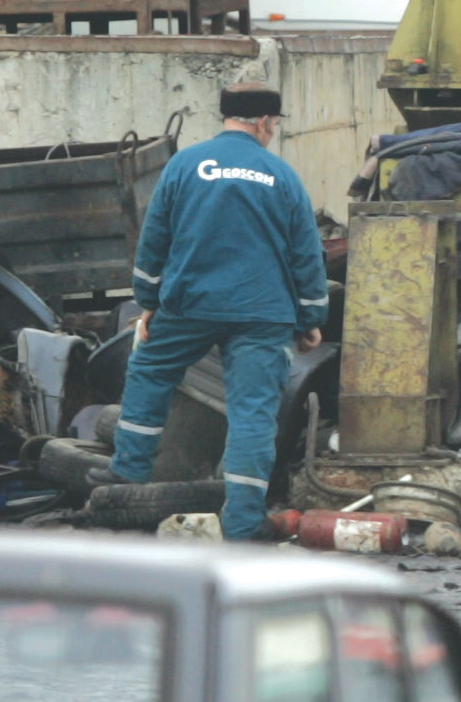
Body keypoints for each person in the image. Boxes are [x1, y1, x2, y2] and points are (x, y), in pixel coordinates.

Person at [113, 84, 329, 542]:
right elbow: (306, 255)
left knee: (150, 373)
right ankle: (244, 521)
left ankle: (125, 486)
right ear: (265, 122)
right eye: (275, 124)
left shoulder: (184, 166)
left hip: (190, 302)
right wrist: (310, 318)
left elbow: (154, 240)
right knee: (252, 411)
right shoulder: (282, 175)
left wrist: (148, 303)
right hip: (262, 312)